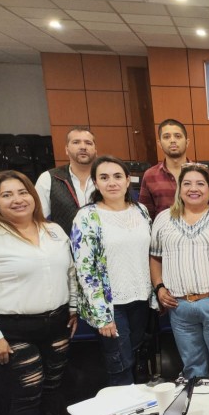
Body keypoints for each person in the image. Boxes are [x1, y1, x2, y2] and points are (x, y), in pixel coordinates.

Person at [0, 170, 78, 415]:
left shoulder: (53, 231)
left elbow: (71, 272)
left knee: (54, 389)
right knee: (27, 395)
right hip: (13, 331)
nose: (17, 199)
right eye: (7, 195)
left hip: (57, 324)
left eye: (23, 192)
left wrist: (73, 308)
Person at [150, 163, 209, 379]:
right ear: (179, 188)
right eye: (187, 184)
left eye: (200, 184)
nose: (194, 189)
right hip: (179, 306)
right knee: (192, 366)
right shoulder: (163, 218)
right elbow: (155, 257)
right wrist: (159, 287)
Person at [70, 155, 154, 386]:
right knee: (120, 365)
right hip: (110, 305)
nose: (112, 182)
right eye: (104, 177)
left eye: (117, 176)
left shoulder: (140, 210)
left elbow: (148, 254)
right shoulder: (86, 217)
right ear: (96, 183)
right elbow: (85, 270)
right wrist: (102, 315)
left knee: (134, 357)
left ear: (128, 181)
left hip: (140, 299)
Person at [35, 126, 97, 235]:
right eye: (76, 142)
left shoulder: (107, 179)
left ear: (95, 150)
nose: (83, 147)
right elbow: (40, 220)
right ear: (66, 150)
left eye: (88, 143)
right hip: (63, 243)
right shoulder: (48, 178)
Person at [139, 118, 191, 220]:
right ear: (160, 143)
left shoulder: (202, 173)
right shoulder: (150, 175)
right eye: (166, 137)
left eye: (178, 136)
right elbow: (145, 216)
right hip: (162, 229)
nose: (172, 140)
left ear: (187, 142)